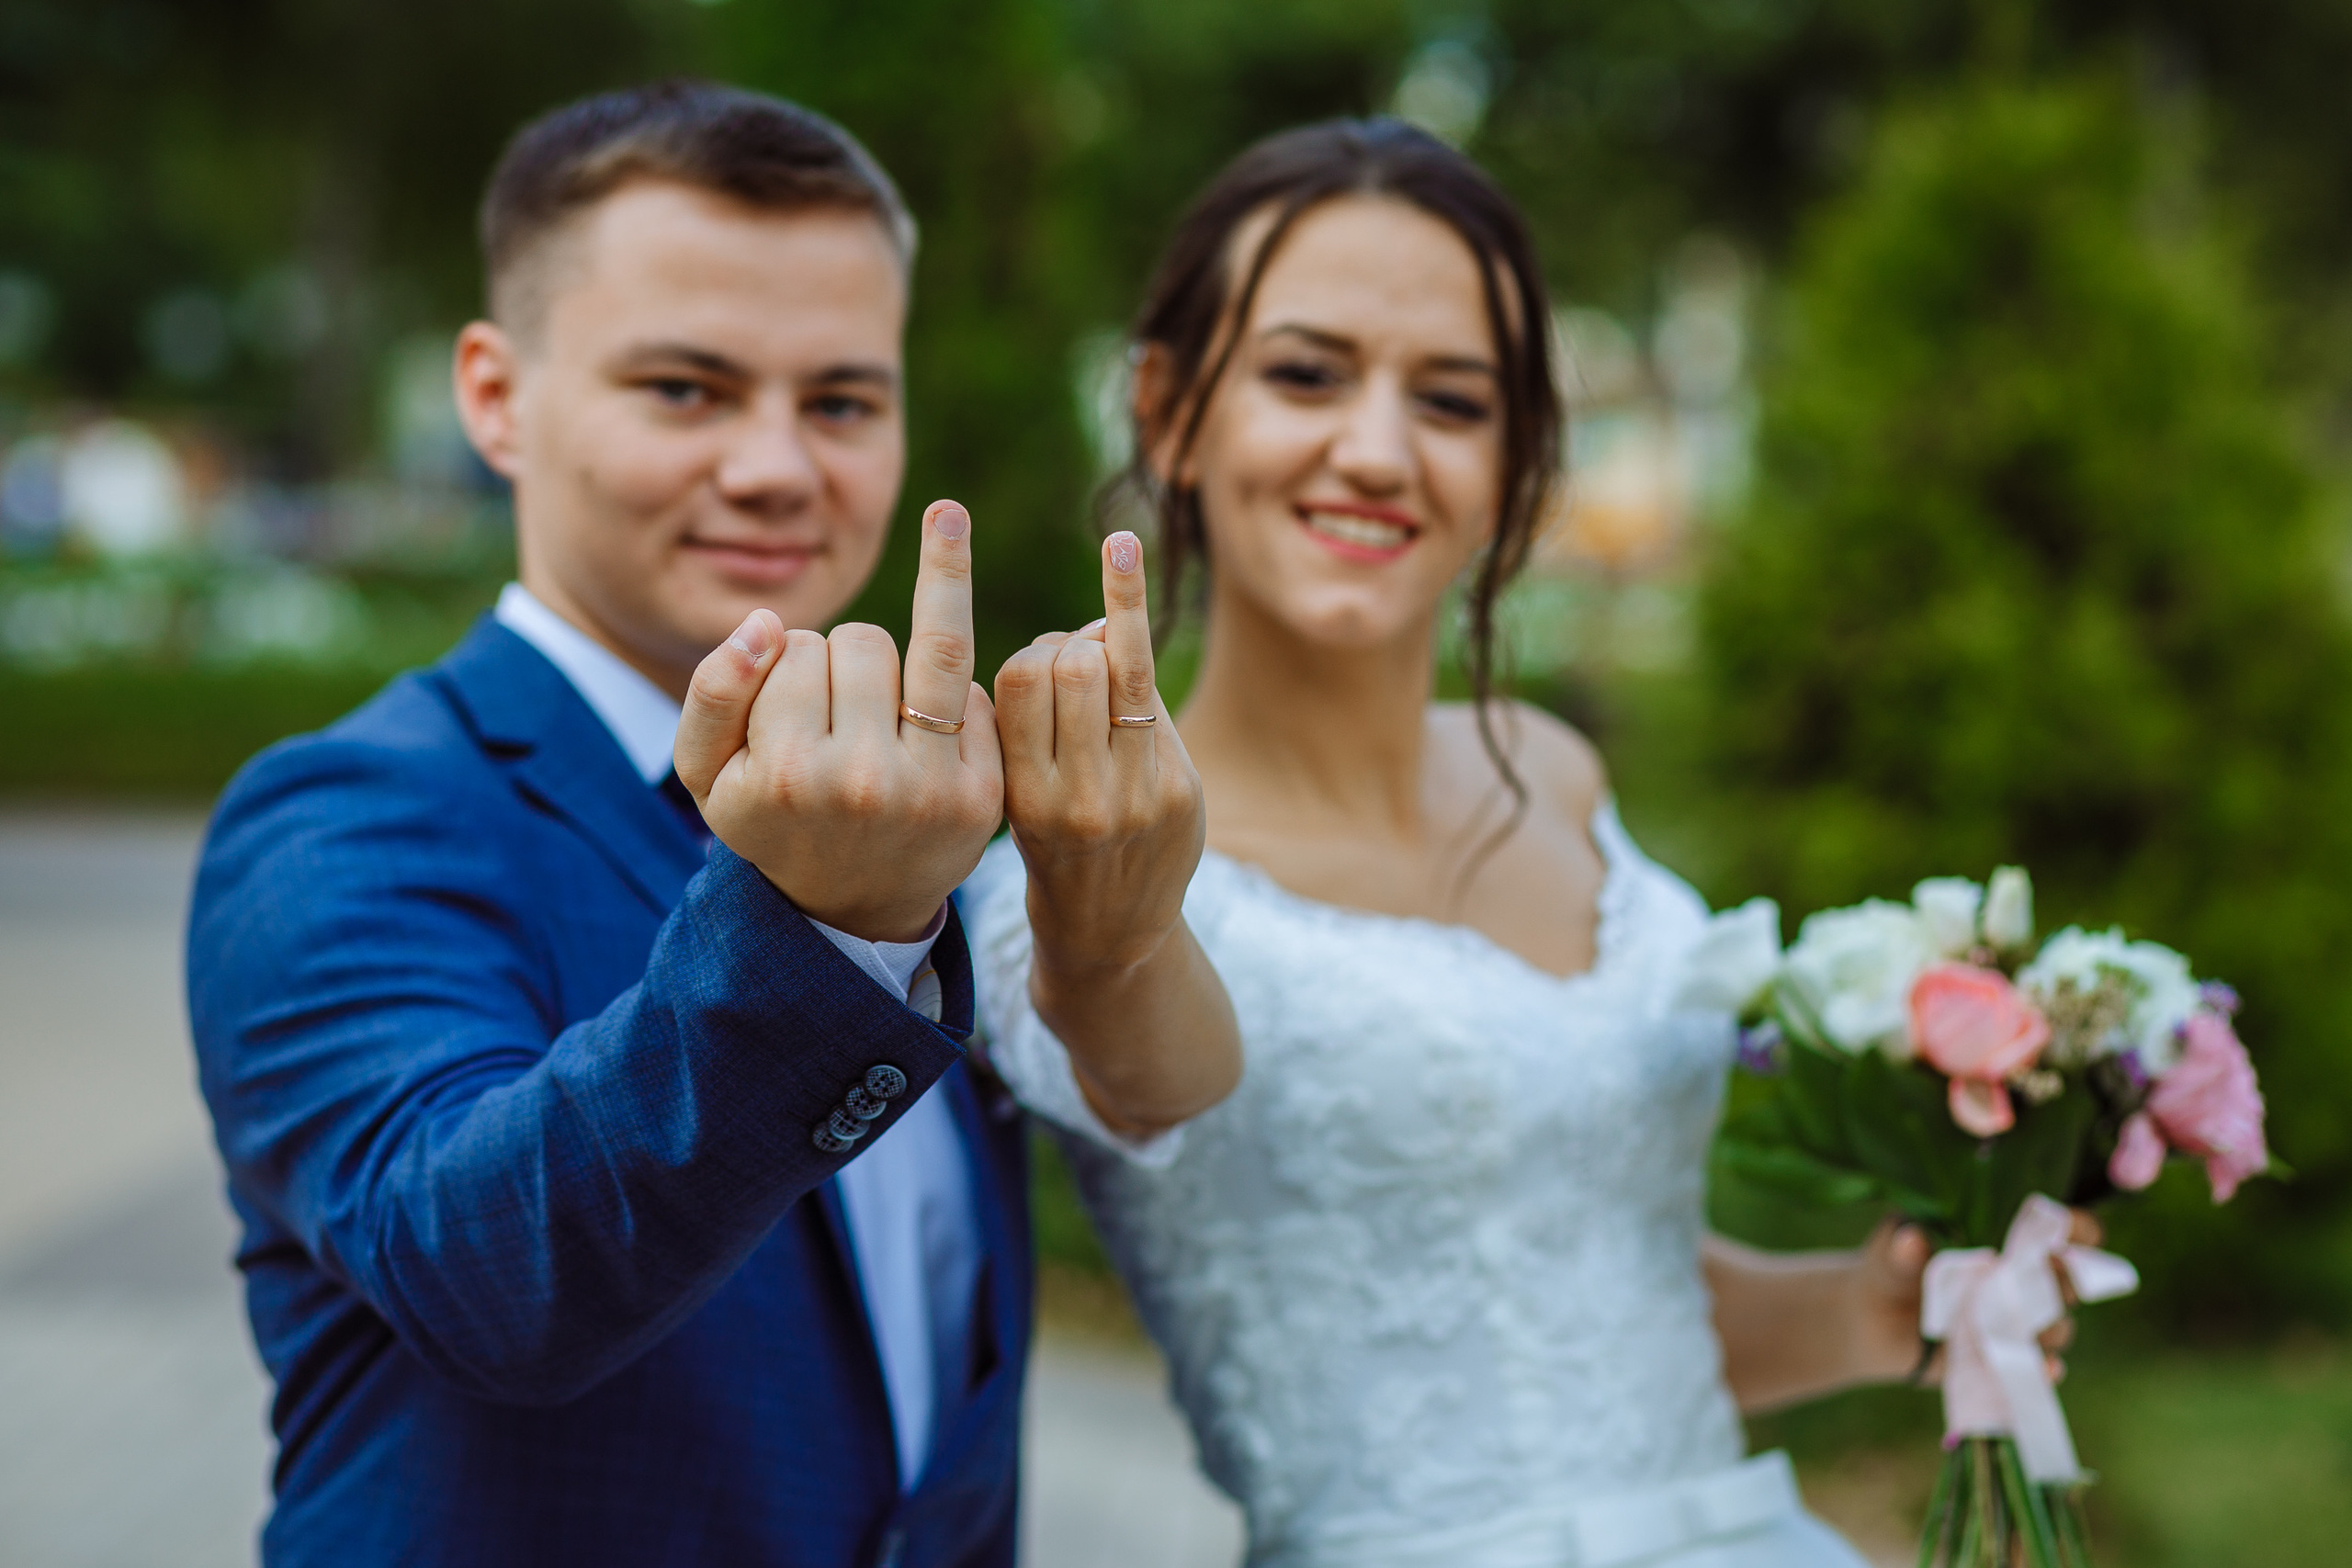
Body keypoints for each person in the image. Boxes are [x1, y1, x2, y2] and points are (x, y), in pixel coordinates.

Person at [187, 81, 1237, 1568]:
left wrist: (1118, 913)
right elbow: (488, 1282)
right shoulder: (351, 812)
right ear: (495, 396)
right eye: (685, 389)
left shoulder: (919, 792)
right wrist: (826, 928)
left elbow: (1150, 1108)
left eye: (842, 401)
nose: (775, 467)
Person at [966, 118, 1939, 1567]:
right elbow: (1147, 1065)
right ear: (1167, 410)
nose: (1377, 450)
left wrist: (1887, 1309)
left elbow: (1601, 1316)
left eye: (1456, 400)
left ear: (1516, 457)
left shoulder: (1557, 775)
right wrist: (1106, 923)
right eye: (1305, 374)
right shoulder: (1076, 853)